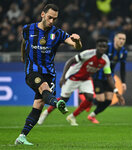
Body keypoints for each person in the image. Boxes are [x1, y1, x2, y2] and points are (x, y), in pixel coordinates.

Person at [15, 4, 82, 146]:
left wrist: (77, 41)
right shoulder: (28, 29)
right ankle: (57, 104)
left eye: (55, 19)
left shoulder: (57, 33)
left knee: (39, 104)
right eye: (50, 17)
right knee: (44, 88)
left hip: (49, 73)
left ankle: (21, 137)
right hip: (33, 71)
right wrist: (23, 57)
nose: (52, 21)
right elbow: (24, 43)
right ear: (43, 14)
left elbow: (76, 46)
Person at [39, 37, 125, 126]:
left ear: (106, 48)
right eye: (100, 46)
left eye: (104, 47)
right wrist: (63, 77)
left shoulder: (105, 59)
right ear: (96, 46)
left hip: (85, 79)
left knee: (90, 98)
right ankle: (46, 112)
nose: (102, 48)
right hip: (73, 77)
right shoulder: (88, 54)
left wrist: (116, 91)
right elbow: (70, 61)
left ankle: (72, 116)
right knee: (64, 99)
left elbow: (108, 76)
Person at [87, 31, 127, 124]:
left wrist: (124, 82)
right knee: (101, 100)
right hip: (98, 76)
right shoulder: (106, 47)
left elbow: (123, 67)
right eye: (119, 38)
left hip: (110, 78)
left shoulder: (124, 52)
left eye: (123, 39)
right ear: (115, 39)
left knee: (109, 100)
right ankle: (90, 102)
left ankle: (92, 115)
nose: (121, 41)